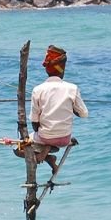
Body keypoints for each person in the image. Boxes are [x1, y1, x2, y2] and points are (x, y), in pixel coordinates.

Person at [15, 45, 89, 174]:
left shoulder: (38, 90)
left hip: (45, 137)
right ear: (62, 69)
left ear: (47, 70)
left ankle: (47, 155)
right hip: (65, 138)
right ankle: (49, 156)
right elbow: (84, 114)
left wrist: (46, 133)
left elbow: (34, 123)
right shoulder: (72, 88)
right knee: (49, 137)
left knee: (17, 148)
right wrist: (72, 109)